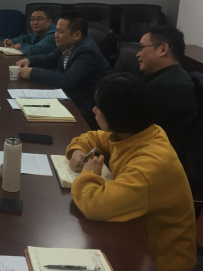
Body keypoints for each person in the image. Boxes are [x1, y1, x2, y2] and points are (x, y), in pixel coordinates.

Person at [66, 73, 196, 271]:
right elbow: (94, 137)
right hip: (135, 233)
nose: (94, 110)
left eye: (99, 107)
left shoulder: (149, 165)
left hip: (161, 260)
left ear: (116, 116)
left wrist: (88, 174)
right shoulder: (137, 133)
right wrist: (78, 151)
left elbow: (95, 205)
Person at [16, 10, 111, 116]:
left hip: (87, 104)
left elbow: (68, 80)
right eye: (56, 31)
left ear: (77, 35)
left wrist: (32, 73)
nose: (55, 35)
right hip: (70, 95)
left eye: (60, 32)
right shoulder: (67, 45)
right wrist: (29, 60)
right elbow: (50, 59)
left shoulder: (87, 52)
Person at [136, 24, 198, 164]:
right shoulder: (175, 76)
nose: (137, 54)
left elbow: (128, 131)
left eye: (141, 48)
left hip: (155, 162)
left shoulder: (161, 88)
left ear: (163, 49)